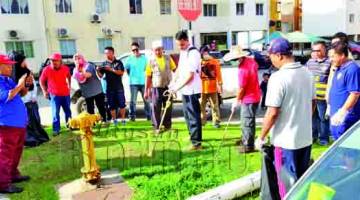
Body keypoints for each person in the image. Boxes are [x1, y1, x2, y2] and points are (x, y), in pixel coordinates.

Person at [256, 38, 315, 199]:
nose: (271, 60)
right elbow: (313, 103)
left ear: (279, 55)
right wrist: (300, 119)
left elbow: (272, 112)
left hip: (285, 142)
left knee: (285, 185)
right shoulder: (307, 73)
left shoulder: (278, 78)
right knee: (301, 180)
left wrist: (261, 137)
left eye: (271, 57)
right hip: (305, 138)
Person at [0, 54, 31, 194]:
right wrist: (19, 84)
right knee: (5, 154)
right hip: (7, 124)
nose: (10, 67)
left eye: (10, 64)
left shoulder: (7, 79)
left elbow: (21, 94)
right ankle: (3, 184)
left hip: (18, 124)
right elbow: (8, 96)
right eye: (6, 65)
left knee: (16, 152)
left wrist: (25, 85)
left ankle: (13, 174)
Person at [170, 30, 203, 150]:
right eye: (178, 45)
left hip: (192, 90)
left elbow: (190, 76)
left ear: (187, 41)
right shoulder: (184, 52)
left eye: (182, 44)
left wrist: (177, 88)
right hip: (185, 90)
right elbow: (179, 68)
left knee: (193, 116)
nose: (180, 47)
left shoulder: (193, 53)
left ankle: (197, 143)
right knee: (187, 116)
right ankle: (192, 136)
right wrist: (173, 82)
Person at [225, 45, 261, 153]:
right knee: (249, 120)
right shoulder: (251, 61)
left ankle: (248, 146)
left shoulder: (242, 70)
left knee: (247, 122)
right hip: (255, 95)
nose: (233, 62)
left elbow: (241, 89)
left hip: (249, 98)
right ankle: (246, 139)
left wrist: (236, 101)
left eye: (234, 60)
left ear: (240, 58)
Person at [9, 52, 49, 147]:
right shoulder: (11, 76)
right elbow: (16, 92)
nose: (25, 62)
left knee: (34, 121)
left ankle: (39, 137)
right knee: (26, 124)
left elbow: (33, 85)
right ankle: (30, 140)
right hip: (22, 104)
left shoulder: (27, 72)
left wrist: (33, 97)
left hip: (31, 102)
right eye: (23, 61)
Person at [328, 41, 360, 140]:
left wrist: (343, 112)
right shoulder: (338, 68)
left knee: (345, 147)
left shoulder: (352, 69)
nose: (331, 59)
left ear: (342, 55)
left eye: (333, 56)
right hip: (335, 113)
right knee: (336, 142)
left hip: (346, 116)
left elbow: (354, 93)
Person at [144, 40, 177, 132]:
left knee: (168, 107)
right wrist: (146, 90)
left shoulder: (168, 58)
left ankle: (167, 126)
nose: (158, 52)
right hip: (156, 87)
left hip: (168, 87)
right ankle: (156, 127)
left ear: (163, 49)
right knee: (156, 108)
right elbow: (148, 76)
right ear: (153, 50)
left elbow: (175, 70)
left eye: (160, 50)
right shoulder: (150, 60)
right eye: (156, 50)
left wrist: (176, 83)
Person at [305, 41, 331, 145]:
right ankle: (313, 137)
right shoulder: (310, 62)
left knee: (323, 118)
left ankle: (324, 139)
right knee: (312, 118)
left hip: (323, 97)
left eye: (318, 50)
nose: (316, 52)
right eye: (314, 50)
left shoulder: (329, 62)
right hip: (311, 97)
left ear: (324, 50)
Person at [40, 53, 72, 136]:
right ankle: (56, 129)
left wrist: (69, 86)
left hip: (65, 94)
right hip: (54, 95)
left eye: (55, 60)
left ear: (60, 61)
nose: (53, 62)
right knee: (55, 112)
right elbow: (41, 81)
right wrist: (44, 91)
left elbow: (69, 77)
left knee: (68, 111)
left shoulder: (65, 68)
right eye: (52, 60)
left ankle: (70, 125)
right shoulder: (46, 69)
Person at [73, 54, 107, 122]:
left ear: (82, 58)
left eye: (79, 58)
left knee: (101, 107)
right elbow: (76, 77)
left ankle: (104, 121)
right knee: (90, 109)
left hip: (97, 90)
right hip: (87, 93)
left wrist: (81, 71)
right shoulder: (75, 70)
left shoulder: (89, 66)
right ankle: (92, 123)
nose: (77, 60)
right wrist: (78, 70)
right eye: (75, 59)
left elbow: (88, 75)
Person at [97, 46, 126, 125]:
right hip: (109, 88)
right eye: (105, 53)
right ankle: (114, 120)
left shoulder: (118, 62)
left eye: (108, 53)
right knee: (111, 105)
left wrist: (111, 69)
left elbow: (121, 72)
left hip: (119, 87)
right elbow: (100, 76)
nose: (107, 55)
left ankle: (123, 120)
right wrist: (98, 70)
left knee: (122, 104)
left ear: (113, 53)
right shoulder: (104, 64)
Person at [125, 42, 151, 121]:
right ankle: (132, 117)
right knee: (133, 101)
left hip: (143, 83)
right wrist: (132, 76)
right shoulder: (129, 59)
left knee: (147, 101)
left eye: (136, 49)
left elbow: (147, 70)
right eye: (133, 50)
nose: (135, 51)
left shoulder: (144, 58)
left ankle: (149, 116)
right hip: (133, 83)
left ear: (139, 49)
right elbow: (127, 69)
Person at [199, 45, 223, 128]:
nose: (205, 54)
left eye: (206, 52)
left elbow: (219, 74)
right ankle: (202, 122)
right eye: (203, 53)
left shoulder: (215, 62)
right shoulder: (199, 62)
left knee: (214, 106)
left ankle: (216, 122)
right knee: (201, 106)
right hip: (202, 88)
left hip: (212, 88)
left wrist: (220, 85)